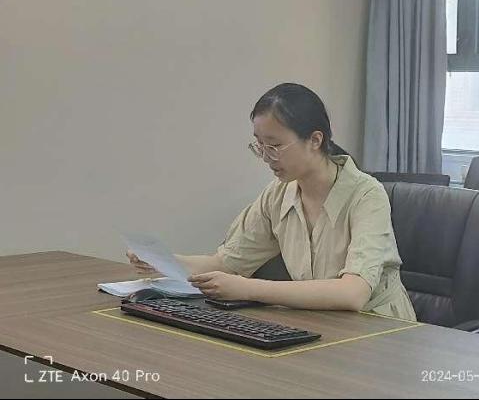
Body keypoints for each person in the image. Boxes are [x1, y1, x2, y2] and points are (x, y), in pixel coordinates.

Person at [128, 83, 416, 320]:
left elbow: (353, 293)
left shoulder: (367, 195)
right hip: (323, 323)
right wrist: (164, 262)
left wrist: (248, 288)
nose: (266, 157)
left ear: (315, 140)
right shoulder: (278, 194)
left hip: (379, 328)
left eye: (275, 146)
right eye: (260, 145)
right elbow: (228, 263)